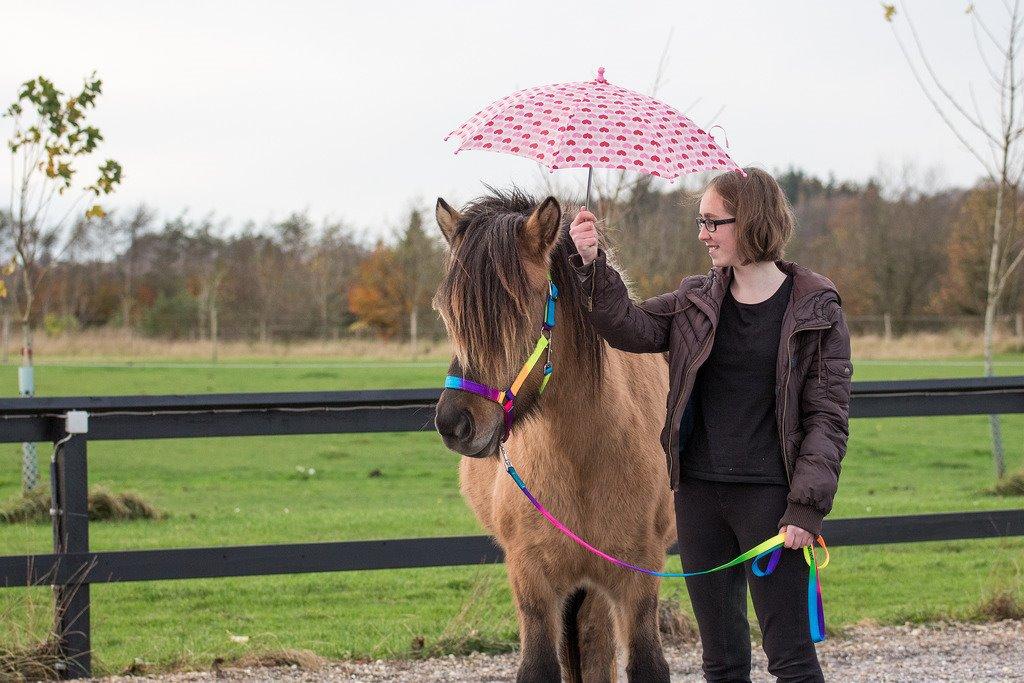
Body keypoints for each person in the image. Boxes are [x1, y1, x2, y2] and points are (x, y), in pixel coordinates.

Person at [568, 167, 852, 682]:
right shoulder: (696, 299)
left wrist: (805, 511)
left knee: (791, 659)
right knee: (720, 661)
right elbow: (626, 326)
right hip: (699, 500)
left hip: (772, 503)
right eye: (701, 221)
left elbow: (827, 419)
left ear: (751, 223)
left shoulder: (814, 306)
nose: (702, 233)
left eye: (712, 222)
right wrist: (592, 264)